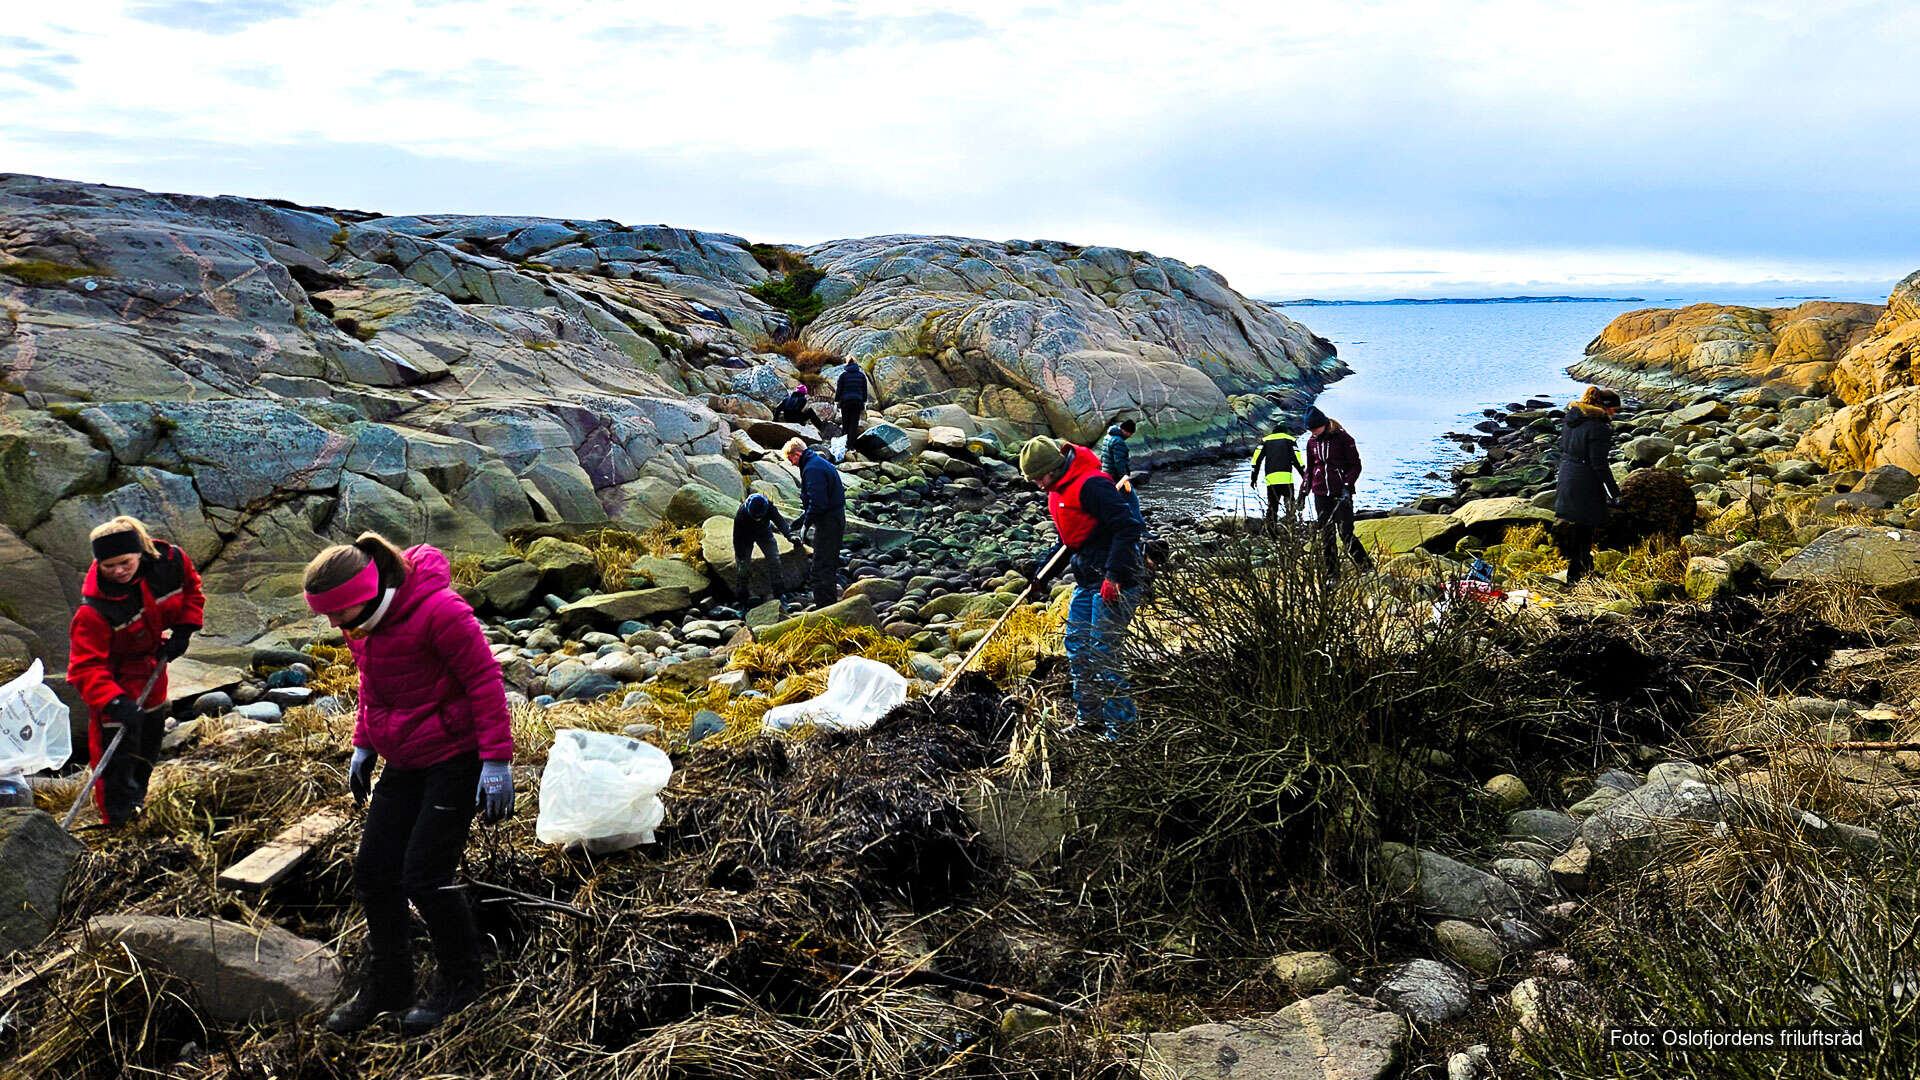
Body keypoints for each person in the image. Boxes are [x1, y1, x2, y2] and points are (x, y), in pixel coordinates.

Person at [306, 533, 514, 1037]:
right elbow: (373, 689)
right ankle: (390, 983)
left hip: (455, 758)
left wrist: (496, 761)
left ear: (369, 587)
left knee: (425, 874)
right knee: (375, 870)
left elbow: (485, 681)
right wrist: (363, 745)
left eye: (337, 611)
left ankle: (462, 980)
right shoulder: (365, 624)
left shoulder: (441, 612)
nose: (333, 623)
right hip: (404, 758)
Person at [66, 516, 204, 828]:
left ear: (139, 552)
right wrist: (114, 702)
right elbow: (84, 667)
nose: (117, 571)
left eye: (124, 562)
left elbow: (192, 590)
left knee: (147, 749)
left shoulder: (170, 564)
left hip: (152, 673)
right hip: (113, 685)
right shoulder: (94, 611)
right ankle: (115, 823)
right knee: (115, 764)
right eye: (108, 565)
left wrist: (184, 629)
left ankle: (137, 804)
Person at [1019, 436, 1146, 738]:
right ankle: (1089, 720)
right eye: (1032, 479)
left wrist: (1113, 576)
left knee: (1103, 652)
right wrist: (1041, 578)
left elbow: (1129, 527)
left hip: (1117, 578)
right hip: (1087, 577)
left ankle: (1123, 730)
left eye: (1039, 476)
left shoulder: (1092, 486)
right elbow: (1070, 541)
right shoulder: (1056, 492)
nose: (1037, 484)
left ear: (1053, 467)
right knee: (1078, 648)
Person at [1553, 386, 1623, 585]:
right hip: (1585, 480)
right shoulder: (1599, 428)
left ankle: (1585, 571)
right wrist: (1614, 493)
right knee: (1585, 527)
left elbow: (1563, 448)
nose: (1614, 413)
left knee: (1578, 526)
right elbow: (1599, 464)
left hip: (1566, 475)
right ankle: (1576, 577)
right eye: (1614, 409)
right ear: (1606, 407)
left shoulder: (1572, 420)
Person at [1303, 407, 1372, 575]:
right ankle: (1332, 573)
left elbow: (1356, 465)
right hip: (1320, 493)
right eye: (1310, 430)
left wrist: (1347, 486)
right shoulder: (1311, 442)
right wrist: (1303, 491)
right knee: (1326, 535)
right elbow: (1310, 468)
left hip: (1341, 493)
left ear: (1323, 424)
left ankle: (1366, 567)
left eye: (1314, 429)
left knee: (1346, 533)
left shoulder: (1343, 438)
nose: (1312, 432)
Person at [785, 438, 846, 609]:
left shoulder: (812, 468)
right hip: (834, 518)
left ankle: (825, 609)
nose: (791, 464)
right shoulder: (817, 462)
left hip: (829, 522)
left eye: (791, 459)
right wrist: (804, 518)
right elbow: (818, 499)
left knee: (821, 569)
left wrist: (806, 523)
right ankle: (829, 604)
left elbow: (818, 502)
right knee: (827, 563)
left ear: (797, 454)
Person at [732, 492, 796, 606]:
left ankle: (779, 594)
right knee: (743, 568)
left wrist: (790, 535)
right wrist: (741, 557)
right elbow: (737, 538)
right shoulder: (741, 514)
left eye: (760, 516)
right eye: (755, 517)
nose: (758, 519)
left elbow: (780, 522)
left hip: (764, 534)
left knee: (774, 560)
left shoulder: (769, 507)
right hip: (745, 538)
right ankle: (742, 600)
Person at [1249, 423, 1304, 531]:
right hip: (1287, 478)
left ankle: (1271, 530)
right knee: (1290, 505)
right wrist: (1305, 477)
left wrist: (1253, 478)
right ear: (1285, 431)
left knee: (1272, 506)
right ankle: (1291, 528)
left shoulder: (1265, 440)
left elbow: (1256, 460)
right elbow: (1297, 460)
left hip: (1271, 479)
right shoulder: (1290, 440)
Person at [1099, 418, 1137, 492]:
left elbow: (1103, 456)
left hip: (1106, 472)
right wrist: (1124, 477)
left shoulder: (1108, 437)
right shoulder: (1119, 442)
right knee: (1130, 499)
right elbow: (1119, 462)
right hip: (1115, 476)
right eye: (1130, 433)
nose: (1130, 436)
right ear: (1125, 431)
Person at [835, 362, 869, 437]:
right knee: (854, 424)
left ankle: (844, 441)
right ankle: (851, 445)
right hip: (857, 402)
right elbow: (864, 390)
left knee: (845, 422)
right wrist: (864, 401)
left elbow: (839, 389)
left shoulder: (843, 376)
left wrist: (837, 400)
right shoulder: (861, 376)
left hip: (845, 402)